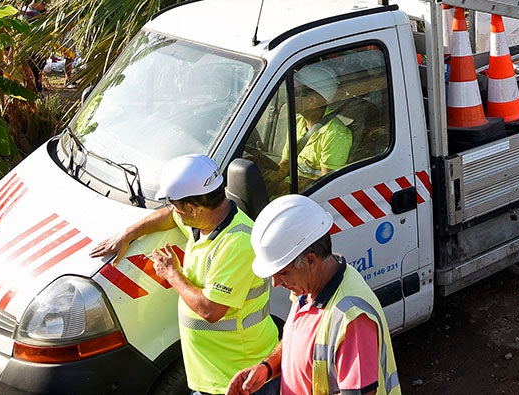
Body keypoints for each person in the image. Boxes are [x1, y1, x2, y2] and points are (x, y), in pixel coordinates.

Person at [89, 154, 279, 395]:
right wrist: (128, 234)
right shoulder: (202, 221)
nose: (174, 212)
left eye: (177, 207)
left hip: (240, 378)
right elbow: (168, 216)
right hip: (215, 375)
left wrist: (172, 274)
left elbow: (211, 310)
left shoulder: (238, 243)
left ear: (193, 207)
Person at [227, 195, 401, 395]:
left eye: (282, 273)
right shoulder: (308, 289)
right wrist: (266, 369)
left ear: (310, 261)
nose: (275, 283)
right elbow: (299, 342)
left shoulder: (351, 319)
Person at [287, 64, 352, 178]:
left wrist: (282, 187)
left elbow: (328, 184)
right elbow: (285, 165)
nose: (288, 94)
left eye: (294, 91)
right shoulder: (298, 122)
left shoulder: (335, 134)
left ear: (312, 100)